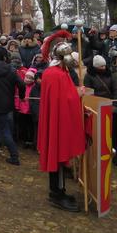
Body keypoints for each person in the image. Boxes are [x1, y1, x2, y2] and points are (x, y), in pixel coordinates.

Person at [37, 31, 85, 212]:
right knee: (55, 158)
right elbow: (64, 98)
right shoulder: (54, 74)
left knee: (59, 159)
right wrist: (76, 93)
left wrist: (74, 90)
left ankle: (59, 190)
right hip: (55, 123)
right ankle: (56, 193)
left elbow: (65, 94)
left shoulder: (60, 72)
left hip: (60, 121)